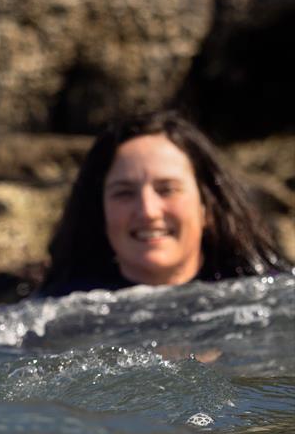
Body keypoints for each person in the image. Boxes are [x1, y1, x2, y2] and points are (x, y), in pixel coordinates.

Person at [38, 110, 289, 298]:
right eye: (124, 193)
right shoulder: (53, 316)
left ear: (208, 208)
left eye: (167, 189)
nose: (148, 211)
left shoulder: (271, 296)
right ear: (99, 212)